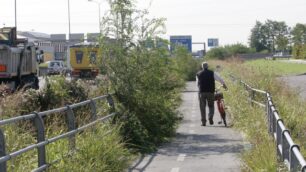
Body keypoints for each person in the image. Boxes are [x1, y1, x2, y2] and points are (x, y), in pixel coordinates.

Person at [196, 62, 227, 126]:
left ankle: (203, 122)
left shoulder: (198, 74)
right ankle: (210, 116)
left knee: (202, 107)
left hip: (202, 92)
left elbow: (197, 84)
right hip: (210, 92)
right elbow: (219, 79)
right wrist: (224, 85)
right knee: (211, 106)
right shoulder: (212, 73)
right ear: (207, 66)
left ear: (202, 67)